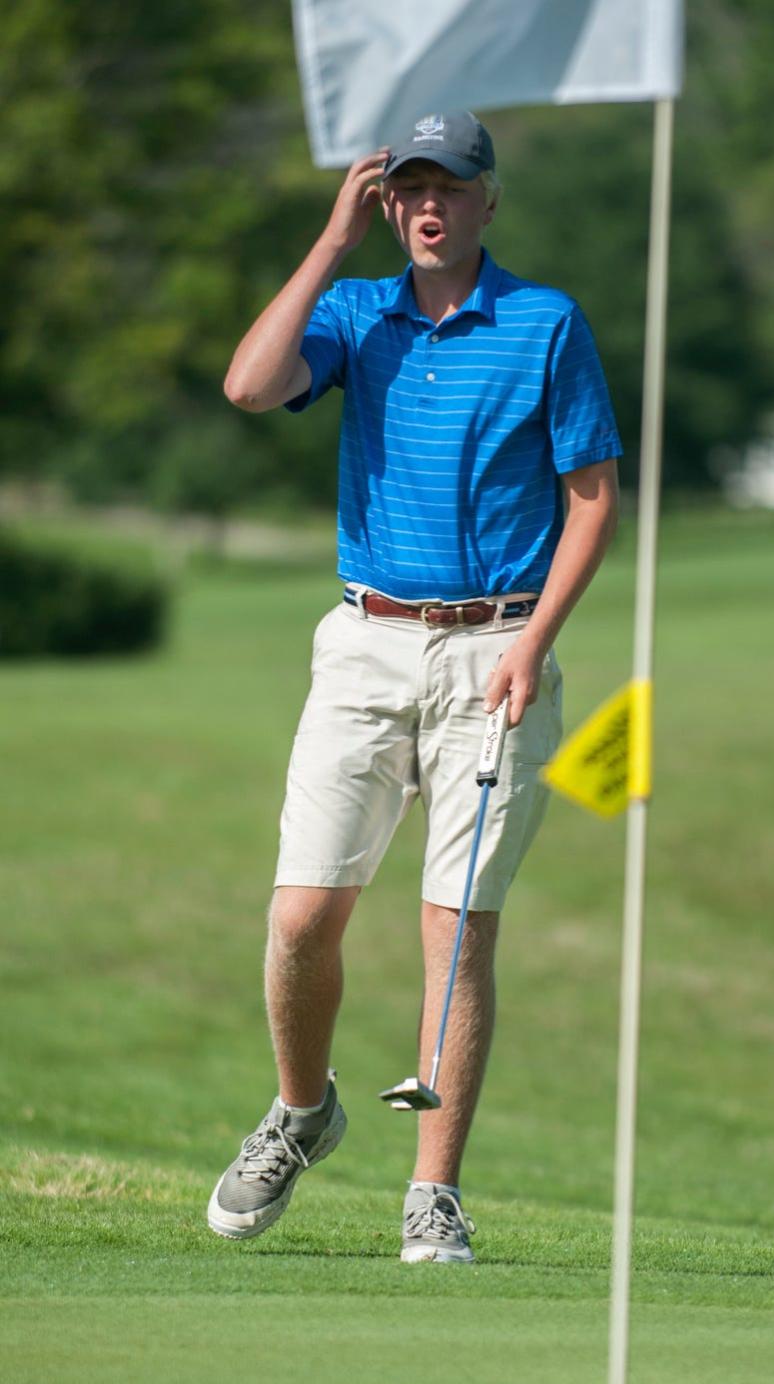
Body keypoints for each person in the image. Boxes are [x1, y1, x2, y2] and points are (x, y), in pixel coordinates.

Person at [207, 110, 621, 1263]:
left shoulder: (546, 323)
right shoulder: (354, 313)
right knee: (302, 917)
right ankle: (302, 1112)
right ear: (388, 204)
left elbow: (592, 499)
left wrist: (535, 642)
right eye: (409, 188)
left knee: (458, 932)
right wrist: (333, 241)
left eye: (452, 184)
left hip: (498, 649)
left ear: (492, 200)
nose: (429, 203)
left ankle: (431, 1194)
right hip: (366, 640)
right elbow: (248, 385)